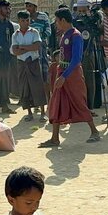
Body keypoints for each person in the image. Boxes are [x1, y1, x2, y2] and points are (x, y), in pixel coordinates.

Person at [39, 8, 100, 148]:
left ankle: (94, 131)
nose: (55, 24)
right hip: (62, 72)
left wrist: (64, 76)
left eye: (57, 20)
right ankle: (54, 138)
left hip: (72, 74)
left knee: (79, 102)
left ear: (63, 20)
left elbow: (77, 59)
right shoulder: (64, 34)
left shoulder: (76, 35)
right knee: (56, 102)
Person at [11, 10, 47, 122]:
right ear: (19, 21)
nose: (26, 23)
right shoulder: (15, 34)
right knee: (24, 87)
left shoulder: (34, 32)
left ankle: (42, 113)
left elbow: (37, 47)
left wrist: (22, 47)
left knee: (37, 87)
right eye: (23, 21)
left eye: (27, 20)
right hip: (21, 63)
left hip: (33, 62)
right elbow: (15, 51)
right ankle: (29, 113)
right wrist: (28, 47)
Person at [25, 0, 52, 108]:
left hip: (41, 49)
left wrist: (38, 37)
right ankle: (35, 102)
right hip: (29, 51)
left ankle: (49, 101)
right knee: (32, 77)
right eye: (27, 6)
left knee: (44, 77)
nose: (28, 8)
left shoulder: (43, 17)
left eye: (30, 6)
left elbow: (48, 31)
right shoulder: (25, 18)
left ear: (35, 7)